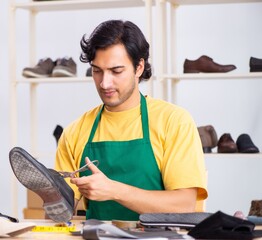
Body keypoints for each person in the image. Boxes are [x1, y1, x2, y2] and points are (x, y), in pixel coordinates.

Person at [55, 19, 208, 221]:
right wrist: (51, 199)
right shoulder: (76, 130)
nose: (104, 83)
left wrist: (114, 190)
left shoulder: (173, 121)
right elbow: (60, 212)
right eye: (97, 70)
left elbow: (185, 205)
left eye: (116, 71)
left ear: (139, 68)